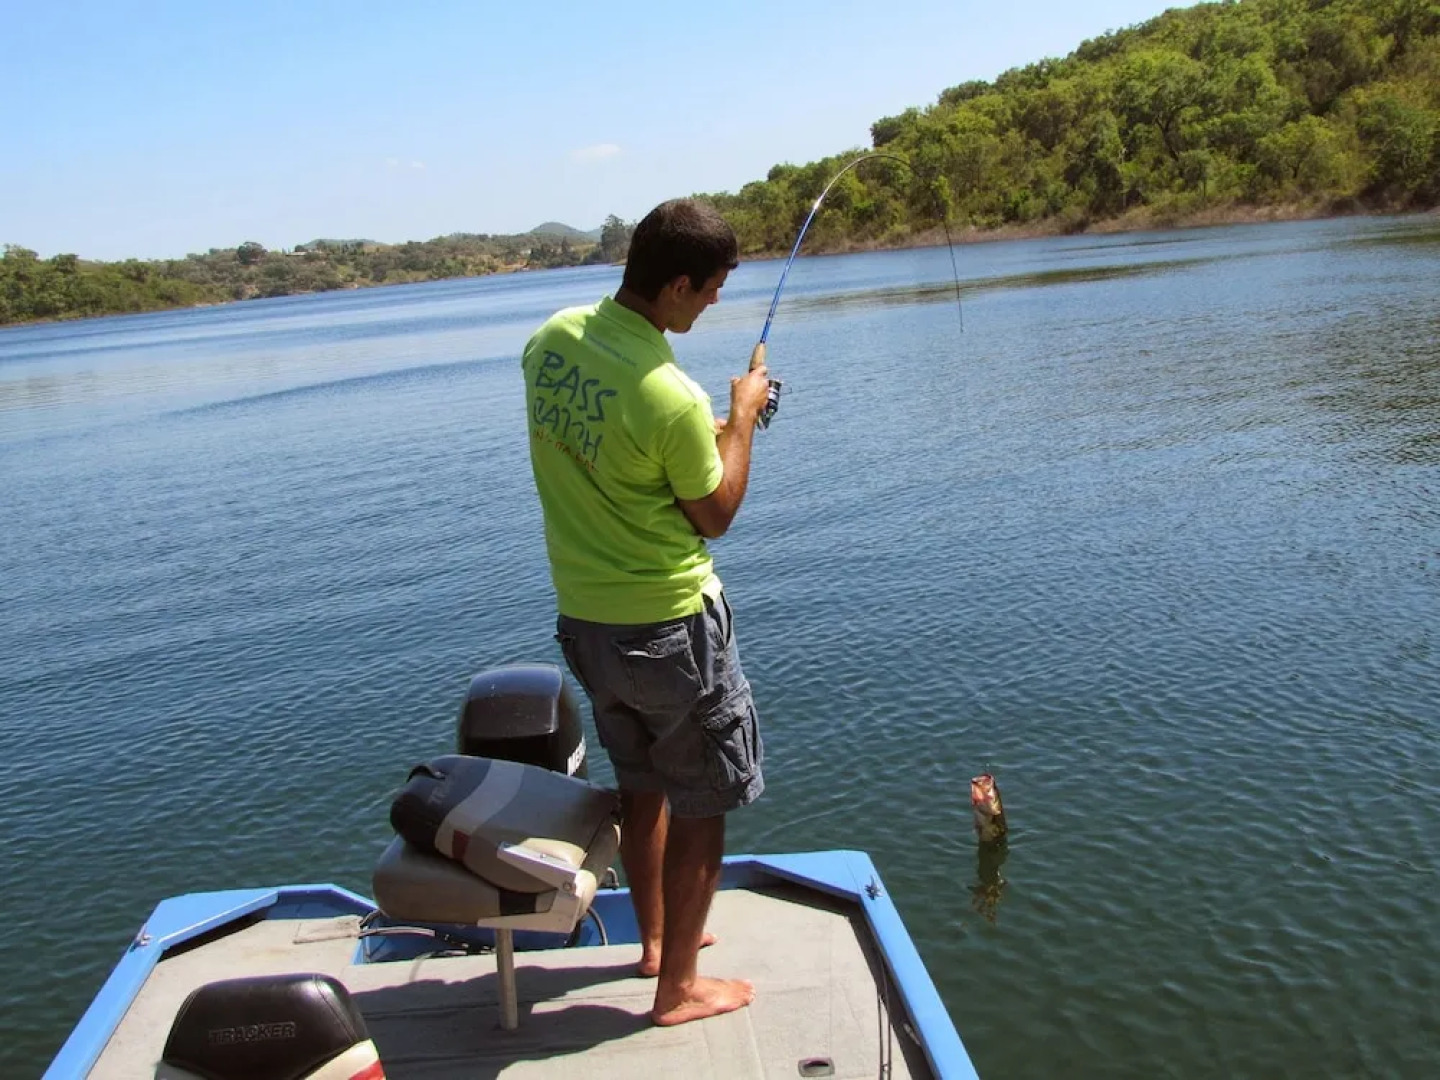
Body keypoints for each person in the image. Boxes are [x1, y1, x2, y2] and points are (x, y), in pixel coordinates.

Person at [521, 198, 771, 1027]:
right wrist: (741, 420)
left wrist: (707, 430)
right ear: (675, 285)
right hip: (671, 630)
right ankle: (679, 991)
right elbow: (715, 512)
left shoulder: (551, 341)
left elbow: (614, 443)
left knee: (640, 785)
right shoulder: (672, 396)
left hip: (587, 626)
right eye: (711, 287)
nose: (716, 301)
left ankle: (658, 943)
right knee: (703, 802)